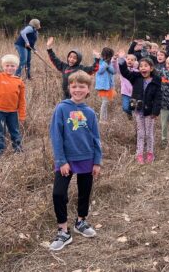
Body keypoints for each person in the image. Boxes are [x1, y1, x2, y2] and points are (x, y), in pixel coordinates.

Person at [49, 71, 102, 251]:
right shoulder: (62, 109)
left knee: (84, 191)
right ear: (69, 88)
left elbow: (96, 138)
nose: (78, 90)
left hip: (87, 157)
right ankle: (63, 231)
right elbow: (56, 137)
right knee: (58, 194)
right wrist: (62, 161)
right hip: (66, 160)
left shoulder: (90, 113)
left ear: (88, 90)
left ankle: (81, 221)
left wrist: (97, 161)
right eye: (74, 86)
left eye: (82, 86)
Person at [119, 55, 162, 164]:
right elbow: (124, 72)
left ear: (151, 68)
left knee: (149, 133)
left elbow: (158, 98)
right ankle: (139, 154)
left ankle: (150, 153)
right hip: (138, 110)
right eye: (141, 66)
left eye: (146, 66)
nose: (143, 68)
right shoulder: (136, 77)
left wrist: (156, 112)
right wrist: (122, 61)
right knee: (141, 133)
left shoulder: (156, 81)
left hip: (150, 112)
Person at [112, 54, 139, 120]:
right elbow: (116, 67)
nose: (130, 61)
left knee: (134, 107)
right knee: (125, 108)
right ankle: (130, 115)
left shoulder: (137, 71)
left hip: (134, 93)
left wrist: (135, 66)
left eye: (132, 60)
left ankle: (134, 120)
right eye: (128, 59)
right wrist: (114, 60)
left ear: (135, 62)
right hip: (125, 93)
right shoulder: (122, 70)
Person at [94, 47, 115, 122]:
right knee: (105, 102)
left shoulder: (109, 62)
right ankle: (102, 120)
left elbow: (113, 71)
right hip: (103, 85)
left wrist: (108, 64)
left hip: (108, 85)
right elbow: (99, 71)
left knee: (106, 102)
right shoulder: (100, 61)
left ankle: (104, 119)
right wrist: (105, 63)